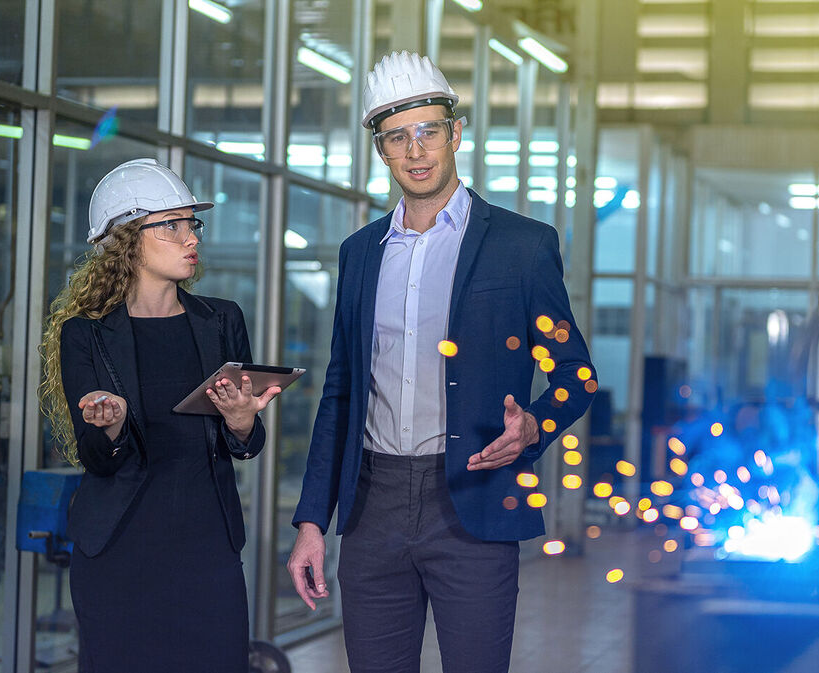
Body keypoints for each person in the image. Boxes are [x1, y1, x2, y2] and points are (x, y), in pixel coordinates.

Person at [287, 51, 597, 673]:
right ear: (381, 149)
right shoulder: (361, 253)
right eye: (397, 137)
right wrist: (312, 520)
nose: (417, 150)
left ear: (456, 134)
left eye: (429, 131)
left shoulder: (522, 247)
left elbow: (575, 375)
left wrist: (534, 427)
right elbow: (340, 392)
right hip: (372, 508)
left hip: (474, 504)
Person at [38, 158, 279, 673]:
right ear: (126, 239)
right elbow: (98, 459)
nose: (191, 237)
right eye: (171, 225)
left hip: (207, 546)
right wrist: (112, 425)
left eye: (192, 223)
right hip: (120, 549)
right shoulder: (85, 333)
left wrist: (240, 421)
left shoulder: (221, 320)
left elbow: (247, 442)